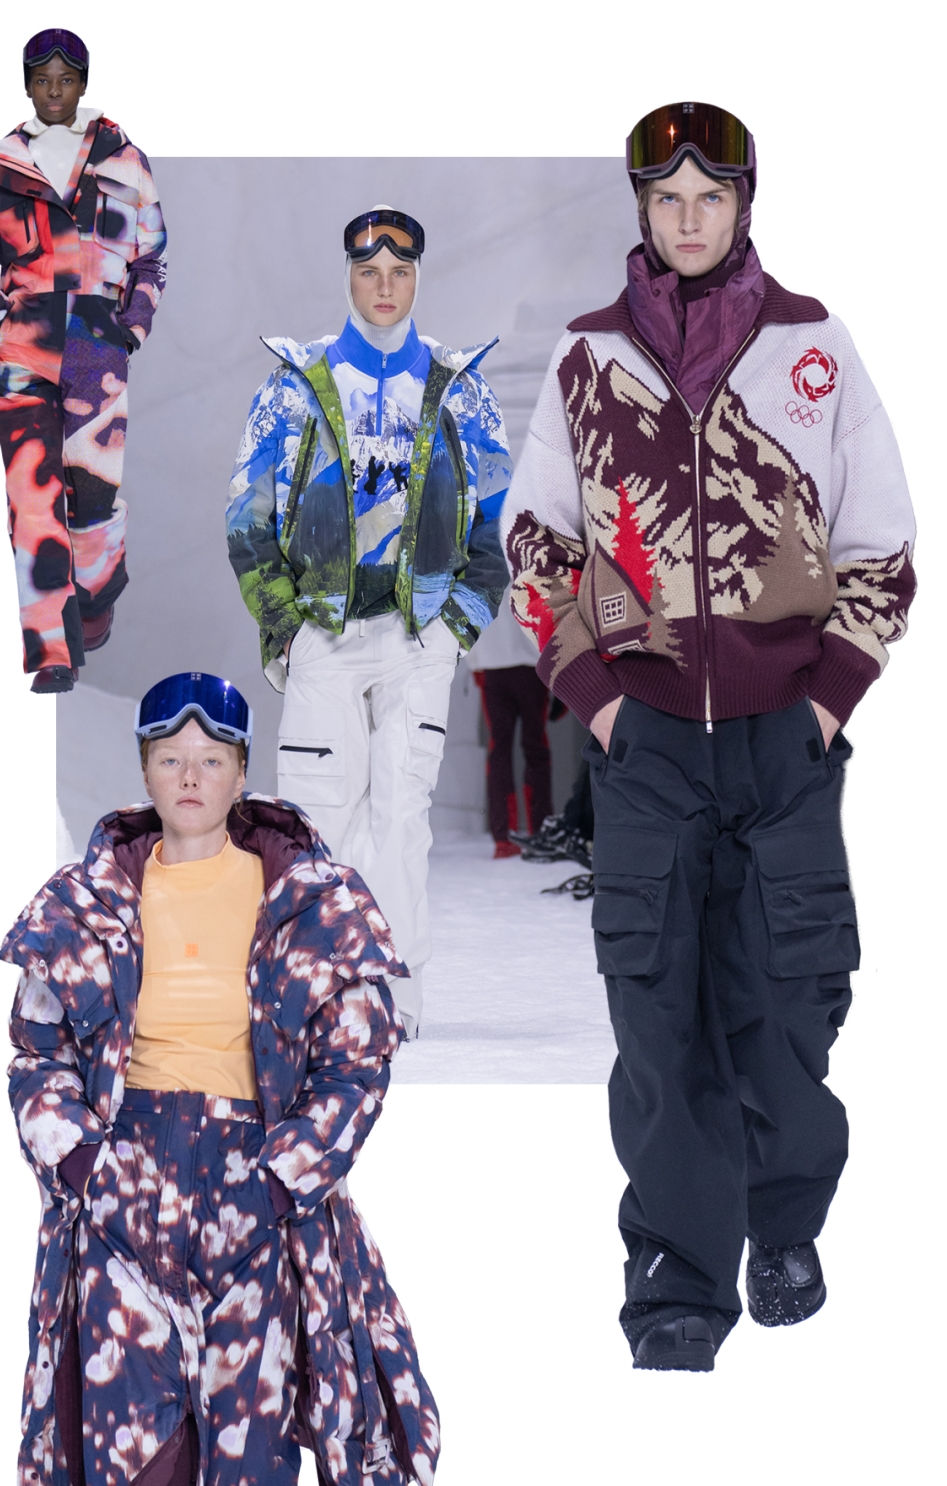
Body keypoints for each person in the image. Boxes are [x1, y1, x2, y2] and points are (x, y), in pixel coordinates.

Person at [503, 102, 916, 1372]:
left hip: (785, 737)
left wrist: (825, 700)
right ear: (642, 209)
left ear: (744, 204)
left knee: (789, 997)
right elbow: (536, 543)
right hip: (650, 743)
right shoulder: (588, 357)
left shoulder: (811, 346)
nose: (689, 220)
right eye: (667, 200)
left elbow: (881, 541)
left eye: (710, 198)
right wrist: (603, 703)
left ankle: (783, 1221)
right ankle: (679, 1280)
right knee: (656, 1015)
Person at [0, 672, 440, 1486]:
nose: (189, 778)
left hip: (257, 1186)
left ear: (242, 773)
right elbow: (37, 1050)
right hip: (127, 1190)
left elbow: (360, 1053)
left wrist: (288, 1175)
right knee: (145, 1454)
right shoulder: (87, 899)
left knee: (250, 1444)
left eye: (210, 760)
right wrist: (83, 1163)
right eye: (169, 760)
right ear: (145, 772)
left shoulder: (312, 897)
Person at [226, 206, 512, 1035]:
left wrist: (457, 625)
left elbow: (498, 524)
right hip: (324, 632)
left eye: (400, 272)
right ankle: (323, 995)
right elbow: (246, 516)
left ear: (418, 276)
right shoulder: (295, 384)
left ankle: (395, 997)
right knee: (319, 819)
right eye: (368, 272)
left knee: (401, 818)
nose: (384, 287)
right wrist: (286, 628)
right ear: (347, 276)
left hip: (419, 637)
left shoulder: (461, 390)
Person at [0, 28, 167, 693]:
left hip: (98, 348)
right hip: (24, 350)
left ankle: (96, 596)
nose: (53, 92)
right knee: (30, 495)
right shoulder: (2, 167)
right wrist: (0, 318)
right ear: (27, 85)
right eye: (41, 80)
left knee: (92, 500)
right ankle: (50, 651)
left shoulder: (125, 160)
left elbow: (152, 255)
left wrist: (131, 326)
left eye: (65, 80)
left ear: (82, 83)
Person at [467, 596, 554, 858]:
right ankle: (540, 833)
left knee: (499, 749)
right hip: (532, 663)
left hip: (491, 662)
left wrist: (474, 661)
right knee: (535, 748)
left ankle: (503, 837)